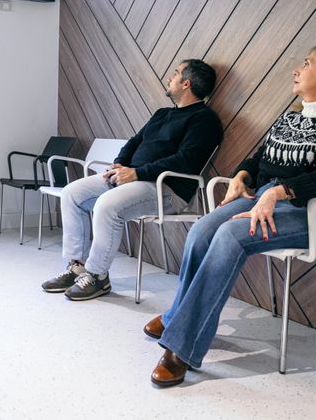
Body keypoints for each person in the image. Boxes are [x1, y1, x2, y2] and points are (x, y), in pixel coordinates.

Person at [145, 41, 316, 387]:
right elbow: (258, 158)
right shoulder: (290, 117)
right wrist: (241, 176)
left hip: (308, 213)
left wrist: (281, 191)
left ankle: (181, 347)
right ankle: (179, 316)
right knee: (202, 230)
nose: (296, 70)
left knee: (231, 237)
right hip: (262, 199)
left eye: (306, 64)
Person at [41, 59, 223, 301]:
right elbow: (135, 141)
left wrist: (137, 173)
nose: (170, 77)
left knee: (108, 205)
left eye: (176, 73)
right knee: (72, 194)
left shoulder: (204, 120)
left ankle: (97, 276)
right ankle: (78, 266)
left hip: (166, 188)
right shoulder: (162, 114)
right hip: (132, 178)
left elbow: (185, 161)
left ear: (186, 83)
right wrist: (119, 164)